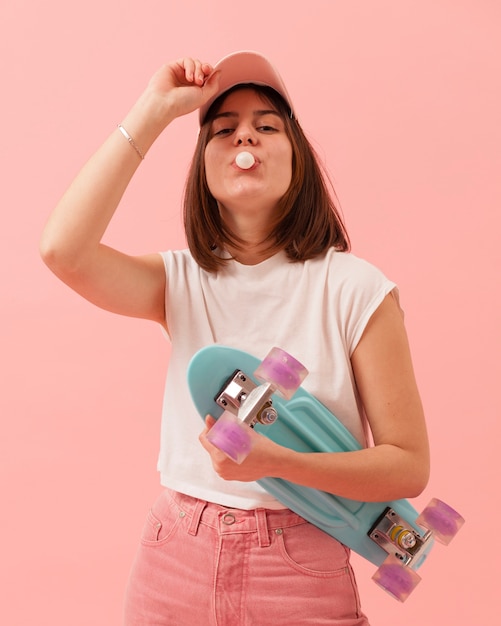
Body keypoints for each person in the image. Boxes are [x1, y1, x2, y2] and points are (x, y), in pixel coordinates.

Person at [40, 51, 430, 625]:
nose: (244, 135)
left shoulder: (354, 289)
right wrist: (151, 113)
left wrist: (277, 463)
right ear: (204, 166)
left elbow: (407, 466)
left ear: (297, 157)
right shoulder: (177, 281)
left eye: (266, 125)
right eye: (223, 129)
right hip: (175, 552)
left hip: (301, 559)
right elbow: (62, 251)